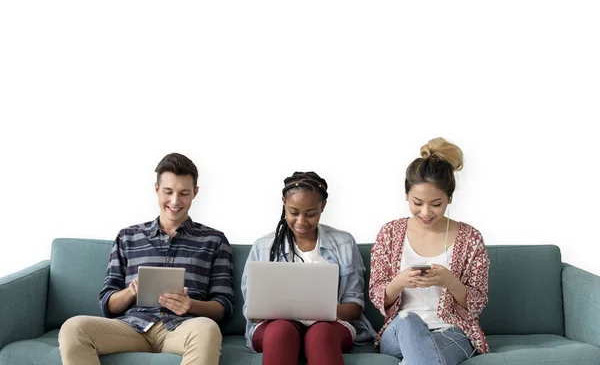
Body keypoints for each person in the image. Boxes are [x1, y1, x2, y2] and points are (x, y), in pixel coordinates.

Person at [58, 153, 234, 365]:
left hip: (183, 328)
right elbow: (108, 302)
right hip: (132, 327)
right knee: (74, 327)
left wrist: (190, 305)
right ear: (156, 189)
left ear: (195, 193)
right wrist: (131, 292)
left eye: (184, 193)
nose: (175, 201)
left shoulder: (214, 240)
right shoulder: (128, 237)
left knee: (207, 329)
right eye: (168, 192)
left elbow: (223, 306)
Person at [369, 138, 490, 365]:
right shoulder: (390, 234)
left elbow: (478, 302)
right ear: (406, 195)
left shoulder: (471, 238)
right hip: (399, 330)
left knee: (422, 358)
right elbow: (376, 294)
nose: (425, 212)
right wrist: (400, 281)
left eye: (436, 204)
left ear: (450, 199)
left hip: (453, 331)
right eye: (417, 202)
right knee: (408, 320)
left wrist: (450, 281)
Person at [241, 171, 375, 365]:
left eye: (311, 213)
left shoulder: (344, 243)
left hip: (331, 326)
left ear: (323, 206)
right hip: (274, 327)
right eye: (293, 212)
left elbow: (354, 306)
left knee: (320, 333)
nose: (301, 221)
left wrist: (323, 311)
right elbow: (252, 311)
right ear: (283, 204)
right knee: (281, 331)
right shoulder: (263, 247)